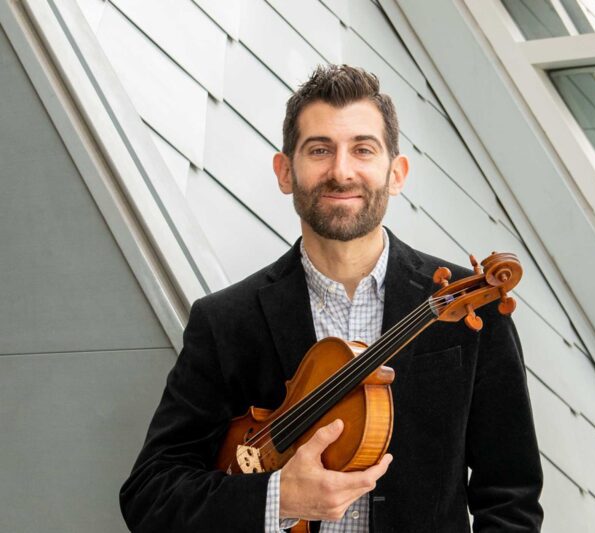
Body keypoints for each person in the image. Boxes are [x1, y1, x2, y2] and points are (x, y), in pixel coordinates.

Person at [120, 64, 543, 532]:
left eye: (363, 149)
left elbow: (511, 499)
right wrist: (277, 499)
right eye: (319, 150)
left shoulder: (473, 311)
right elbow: (150, 495)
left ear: (396, 173)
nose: (341, 171)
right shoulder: (225, 322)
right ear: (285, 172)